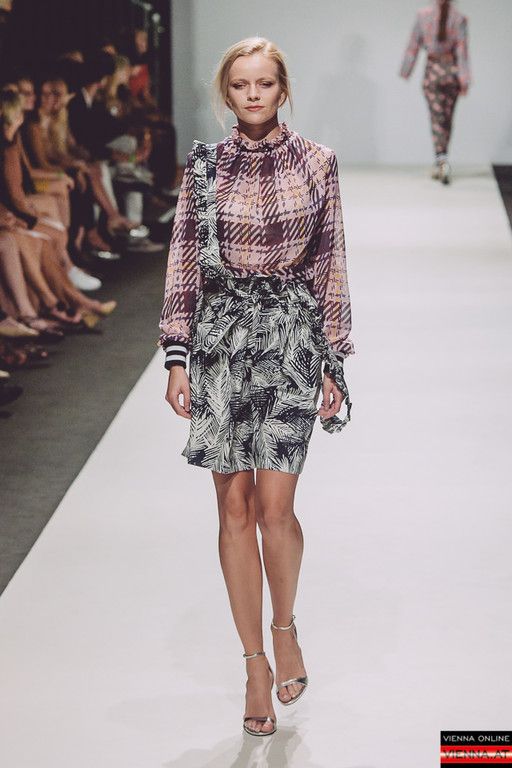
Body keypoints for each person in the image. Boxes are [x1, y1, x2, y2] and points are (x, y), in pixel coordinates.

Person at [158, 37, 354, 737]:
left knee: (276, 508)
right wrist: (176, 356)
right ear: (227, 92)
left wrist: (333, 358)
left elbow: (330, 261)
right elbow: (184, 257)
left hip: (291, 341)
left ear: (282, 89)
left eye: (264, 83)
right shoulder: (205, 166)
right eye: (240, 85)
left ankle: (284, 627)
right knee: (233, 507)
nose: (251, 95)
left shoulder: (318, 163)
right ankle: (253, 666)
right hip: (220, 343)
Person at [400, 0, 471, 184]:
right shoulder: (459, 18)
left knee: (437, 118)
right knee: (446, 119)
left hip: (432, 73)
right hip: (451, 74)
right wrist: (464, 80)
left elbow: (413, 45)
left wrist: (406, 70)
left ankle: (441, 159)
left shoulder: (423, 15)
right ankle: (442, 158)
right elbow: (462, 51)